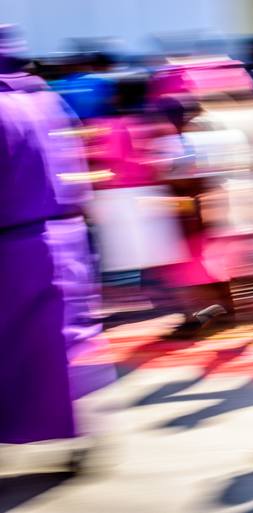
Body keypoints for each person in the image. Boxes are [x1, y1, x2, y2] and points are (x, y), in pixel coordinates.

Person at [0, 25, 97, 459]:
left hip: (12, 248)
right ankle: (81, 439)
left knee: (17, 354)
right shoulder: (47, 101)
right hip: (62, 239)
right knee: (60, 347)